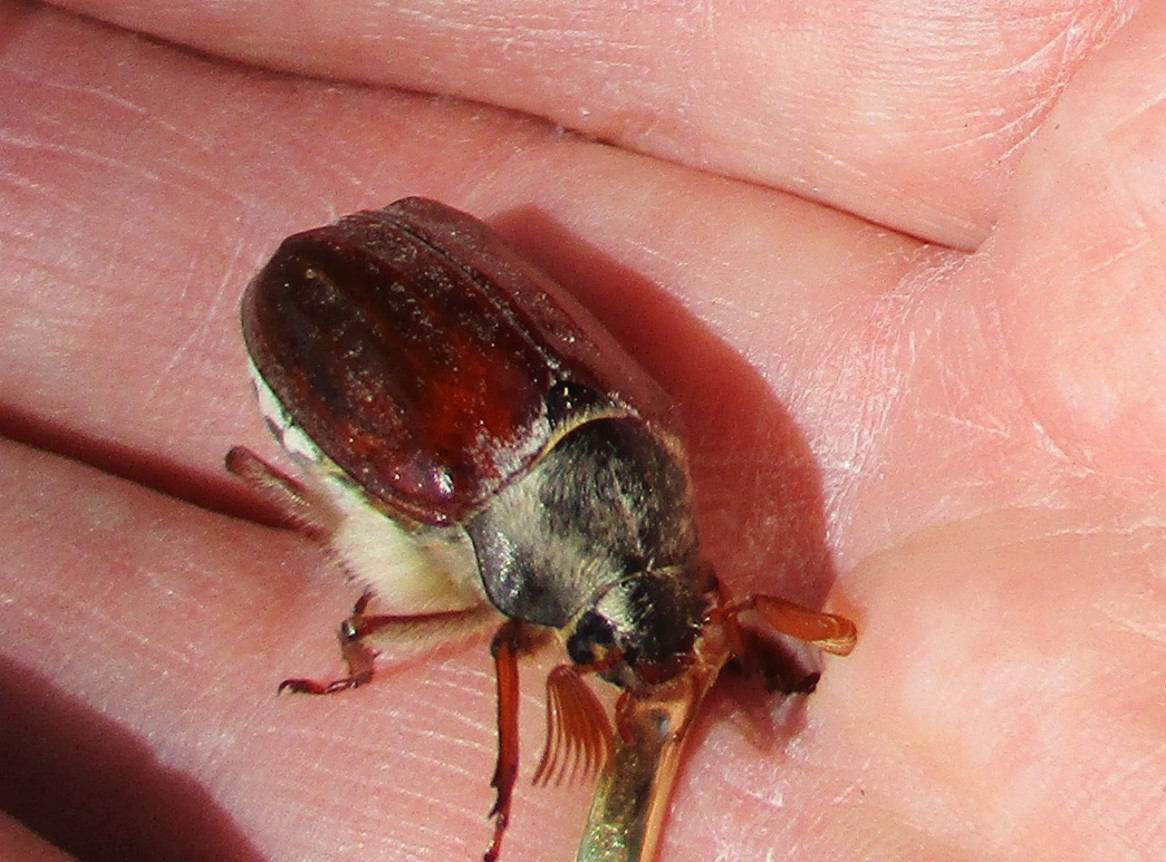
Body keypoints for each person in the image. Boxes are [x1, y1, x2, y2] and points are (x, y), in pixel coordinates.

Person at [2, 1, 1164, 859]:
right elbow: (511, 645)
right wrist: (512, 782)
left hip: (434, 299)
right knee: (395, 600)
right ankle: (447, 736)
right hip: (324, 327)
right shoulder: (500, 507)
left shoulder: (646, 437)